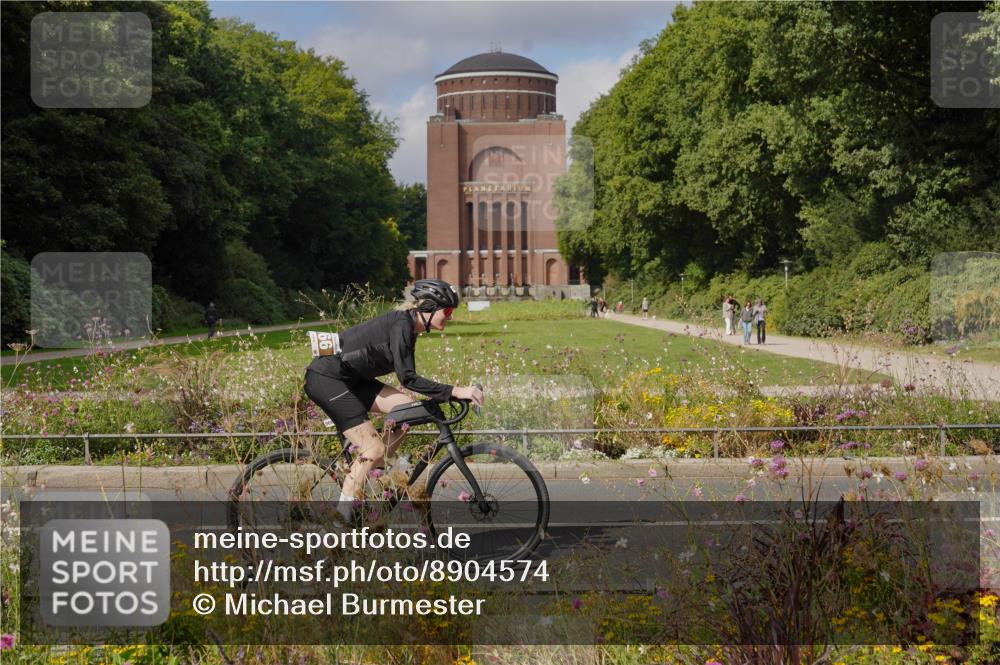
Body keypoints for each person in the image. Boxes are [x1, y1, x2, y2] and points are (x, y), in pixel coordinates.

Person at [303, 279, 484, 522]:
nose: (450, 317)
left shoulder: (408, 327)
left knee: (404, 407)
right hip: (327, 378)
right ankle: (341, 521)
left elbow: (408, 383)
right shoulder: (402, 325)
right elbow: (408, 377)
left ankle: (372, 471)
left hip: (351, 379)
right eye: (448, 311)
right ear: (429, 308)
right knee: (373, 448)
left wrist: (450, 392)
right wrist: (455, 390)